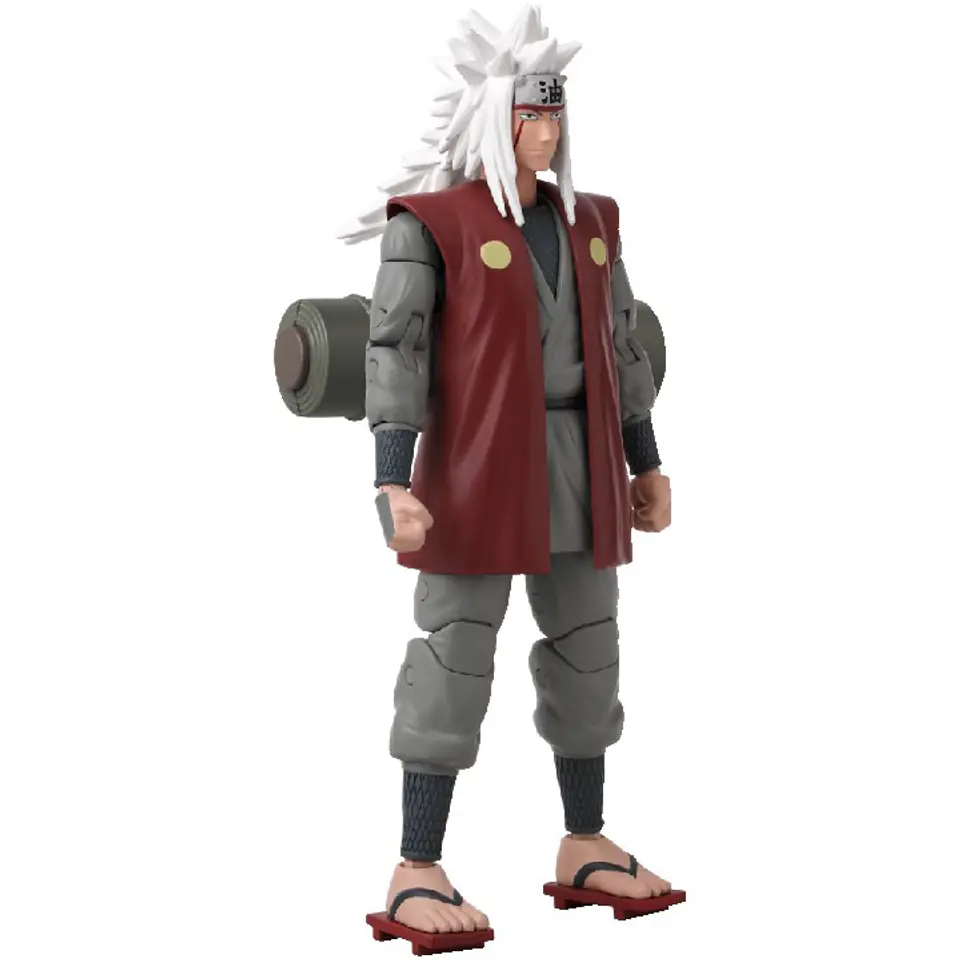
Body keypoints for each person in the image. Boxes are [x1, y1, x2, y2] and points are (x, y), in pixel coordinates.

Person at [339, 5, 674, 944]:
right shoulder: (434, 224)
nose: (547, 130)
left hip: (581, 461)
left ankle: (585, 842)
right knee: (454, 655)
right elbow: (395, 349)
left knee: (589, 650)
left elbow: (622, 345)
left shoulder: (592, 222)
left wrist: (646, 458)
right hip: (477, 462)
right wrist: (392, 478)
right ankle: (416, 866)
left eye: (555, 113)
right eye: (531, 113)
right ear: (495, 117)